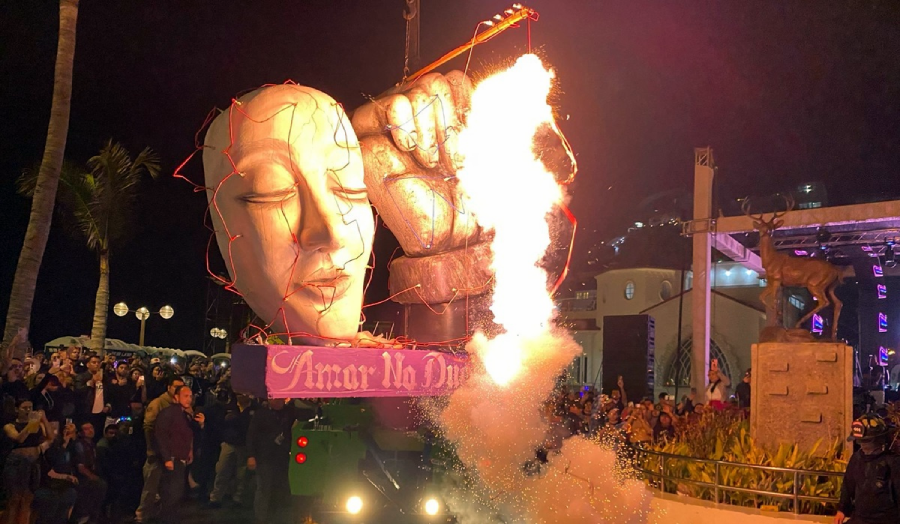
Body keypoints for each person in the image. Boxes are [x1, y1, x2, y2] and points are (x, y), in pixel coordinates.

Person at [134, 375, 185, 523]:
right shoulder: (158, 403)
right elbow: (149, 428)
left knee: (169, 487)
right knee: (151, 486)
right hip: (157, 452)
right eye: (176, 387)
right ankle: (141, 515)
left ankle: (163, 514)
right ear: (169, 387)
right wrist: (151, 450)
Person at [834, 413, 900, 524]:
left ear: (879, 440)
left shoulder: (893, 462)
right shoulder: (857, 458)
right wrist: (842, 510)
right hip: (860, 518)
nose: (864, 447)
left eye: (867, 442)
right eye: (861, 442)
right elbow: (848, 486)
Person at [154, 385, 205, 524]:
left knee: (177, 491)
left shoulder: (185, 414)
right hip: (172, 457)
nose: (189, 399)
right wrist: (166, 459)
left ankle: (170, 518)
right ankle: (166, 519)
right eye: (185, 396)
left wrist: (189, 450)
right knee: (172, 492)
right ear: (176, 397)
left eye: (190, 396)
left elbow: (189, 434)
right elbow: (161, 435)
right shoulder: (169, 413)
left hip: (180, 457)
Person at [247, 398, 297, 524]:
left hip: (282, 456)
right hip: (265, 456)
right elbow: (251, 435)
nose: (279, 401)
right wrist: (251, 455)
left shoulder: (289, 412)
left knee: (281, 487)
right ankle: (261, 518)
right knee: (264, 488)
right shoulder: (261, 414)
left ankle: (278, 517)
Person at [2, 399, 49, 524]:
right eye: (24, 407)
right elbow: (19, 438)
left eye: (30, 407)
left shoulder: (36, 425)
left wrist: (43, 419)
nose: (28, 410)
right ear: (17, 409)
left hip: (33, 462)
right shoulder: (10, 426)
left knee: (28, 497)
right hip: (17, 463)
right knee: (15, 498)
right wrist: (31, 423)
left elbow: (49, 437)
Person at [32, 422, 79, 524]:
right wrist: (67, 477)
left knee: (70, 494)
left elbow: (71, 460)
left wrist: (68, 439)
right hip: (44, 485)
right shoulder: (44, 449)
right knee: (53, 499)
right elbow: (50, 470)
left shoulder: (63, 446)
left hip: (60, 485)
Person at [72, 421, 108, 524]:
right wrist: (92, 476)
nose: (90, 430)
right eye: (86, 429)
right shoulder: (79, 445)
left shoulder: (92, 445)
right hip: (81, 477)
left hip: (92, 473)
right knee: (99, 485)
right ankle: (85, 516)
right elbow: (81, 467)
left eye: (91, 428)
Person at [74, 354, 110, 439]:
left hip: (101, 413)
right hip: (86, 412)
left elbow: (109, 393)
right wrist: (91, 382)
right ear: (88, 365)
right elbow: (78, 391)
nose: (96, 364)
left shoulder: (105, 378)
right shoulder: (81, 377)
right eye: (94, 362)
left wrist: (108, 405)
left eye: (98, 362)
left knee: (98, 435)